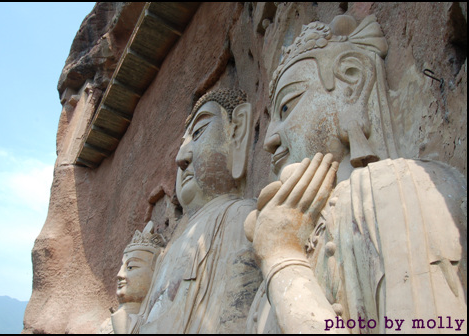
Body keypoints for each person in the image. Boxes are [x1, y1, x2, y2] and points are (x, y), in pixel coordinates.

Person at [246, 15, 467, 334]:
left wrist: (281, 257)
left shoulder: (397, 191)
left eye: (286, 108)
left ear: (351, 83)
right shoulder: (284, 237)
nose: (269, 139)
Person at [139, 89, 262, 333]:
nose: (181, 158)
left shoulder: (239, 217)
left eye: (198, 133)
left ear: (236, 133)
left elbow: (235, 319)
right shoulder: (169, 250)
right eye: (181, 146)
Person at [99, 221, 165, 334]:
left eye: (130, 267)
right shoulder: (106, 327)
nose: (119, 274)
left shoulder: (160, 318)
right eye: (122, 267)